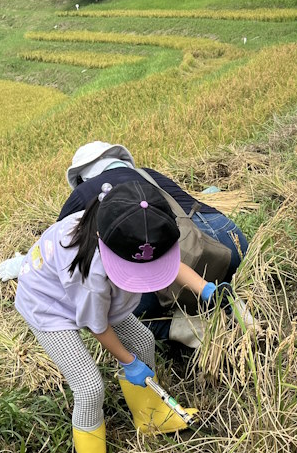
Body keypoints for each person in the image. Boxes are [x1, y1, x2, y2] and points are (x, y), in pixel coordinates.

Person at [15, 181, 208, 453]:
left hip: (101, 296)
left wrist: (206, 289)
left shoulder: (135, 227)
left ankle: (152, 418)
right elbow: (96, 323)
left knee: (143, 340)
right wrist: (128, 361)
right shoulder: (93, 271)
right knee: (90, 387)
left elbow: (170, 265)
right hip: (49, 305)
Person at [59, 141, 248, 347]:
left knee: (118, 312)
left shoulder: (82, 193)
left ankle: (181, 328)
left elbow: (61, 245)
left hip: (177, 261)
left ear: (82, 177)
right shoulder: (147, 174)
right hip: (230, 244)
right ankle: (227, 300)